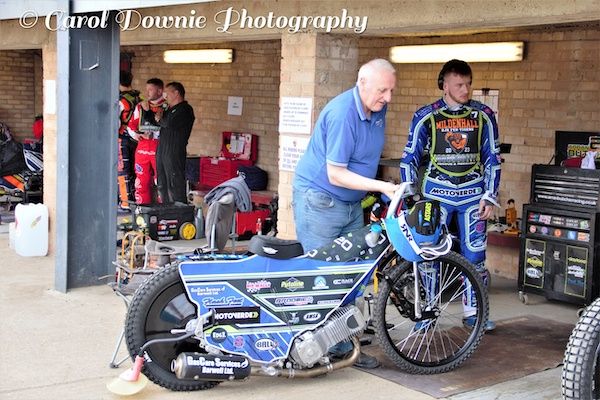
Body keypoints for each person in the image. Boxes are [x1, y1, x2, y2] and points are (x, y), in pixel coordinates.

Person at [292, 58, 400, 369]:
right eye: (383, 90)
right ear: (361, 83)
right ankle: (312, 348)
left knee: (351, 277)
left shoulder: (377, 107)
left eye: (391, 91)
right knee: (323, 278)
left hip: (352, 203)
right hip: (320, 200)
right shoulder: (342, 114)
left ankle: (343, 347)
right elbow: (336, 173)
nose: (388, 98)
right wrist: (381, 185)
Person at [400, 59, 501, 331]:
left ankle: (474, 315)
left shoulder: (484, 115)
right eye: (459, 84)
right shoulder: (426, 115)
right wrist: (410, 198)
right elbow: (408, 158)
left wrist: (490, 196)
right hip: (435, 198)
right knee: (429, 255)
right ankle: (428, 314)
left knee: (475, 257)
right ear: (444, 85)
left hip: (473, 196)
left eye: (468, 84)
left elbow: (493, 157)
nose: (466, 90)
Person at [142, 81, 194, 204]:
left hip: (174, 152)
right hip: (162, 150)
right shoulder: (168, 109)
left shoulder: (185, 109)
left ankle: (179, 212)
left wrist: (160, 117)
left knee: (174, 184)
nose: (165, 96)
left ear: (176, 93)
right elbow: (156, 123)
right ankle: (165, 210)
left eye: (167, 93)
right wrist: (147, 111)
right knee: (162, 184)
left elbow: (168, 123)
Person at [128, 78, 168, 205]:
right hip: (142, 150)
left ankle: (164, 211)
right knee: (141, 182)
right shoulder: (140, 106)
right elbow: (130, 126)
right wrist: (138, 135)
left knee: (161, 182)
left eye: (150, 89)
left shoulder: (167, 106)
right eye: (147, 89)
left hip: (160, 150)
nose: (147, 92)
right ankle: (142, 211)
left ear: (160, 90)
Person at [118, 71, 141, 210]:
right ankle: (136, 199)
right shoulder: (140, 97)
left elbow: (116, 123)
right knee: (135, 169)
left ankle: (126, 202)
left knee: (122, 170)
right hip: (138, 139)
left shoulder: (121, 101)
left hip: (123, 138)